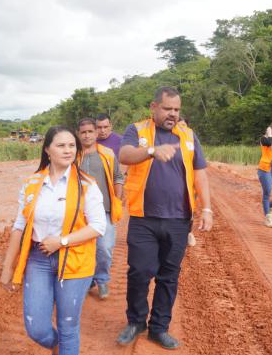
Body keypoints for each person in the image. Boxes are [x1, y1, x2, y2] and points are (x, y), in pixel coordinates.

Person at [116, 86, 213, 350]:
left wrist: (207, 209)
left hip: (179, 219)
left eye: (177, 109)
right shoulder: (137, 130)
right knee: (139, 272)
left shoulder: (188, 135)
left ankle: (159, 328)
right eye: (168, 108)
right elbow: (123, 155)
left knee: (169, 276)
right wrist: (150, 152)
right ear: (154, 107)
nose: (173, 114)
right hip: (143, 217)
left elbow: (200, 173)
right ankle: (136, 322)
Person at [0, 125, 107, 355]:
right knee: (36, 328)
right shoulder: (32, 184)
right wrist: (7, 267)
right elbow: (19, 226)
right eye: (61, 145)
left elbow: (98, 226)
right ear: (47, 149)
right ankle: (58, 346)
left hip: (75, 260)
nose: (68, 150)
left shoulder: (86, 185)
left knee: (68, 326)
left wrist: (62, 241)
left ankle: (67, 347)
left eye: (71, 145)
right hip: (38, 259)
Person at [76, 118, 124, 300]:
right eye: (83, 132)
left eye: (90, 131)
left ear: (96, 133)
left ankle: (102, 279)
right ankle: (87, 280)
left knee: (104, 247)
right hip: (79, 212)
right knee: (82, 247)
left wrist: (117, 200)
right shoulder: (73, 155)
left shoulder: (108, 154)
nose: (87, 135)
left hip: (104, 209)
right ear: (78, 134)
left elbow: (118, 176)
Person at [178, 116, 197, 247]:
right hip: (175, 184)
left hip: (190, 183)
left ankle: (189, 233)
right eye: (179, 125)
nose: (182, 128)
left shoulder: (192, 141)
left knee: (189, 210)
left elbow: (199, 165)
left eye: (184, 125)